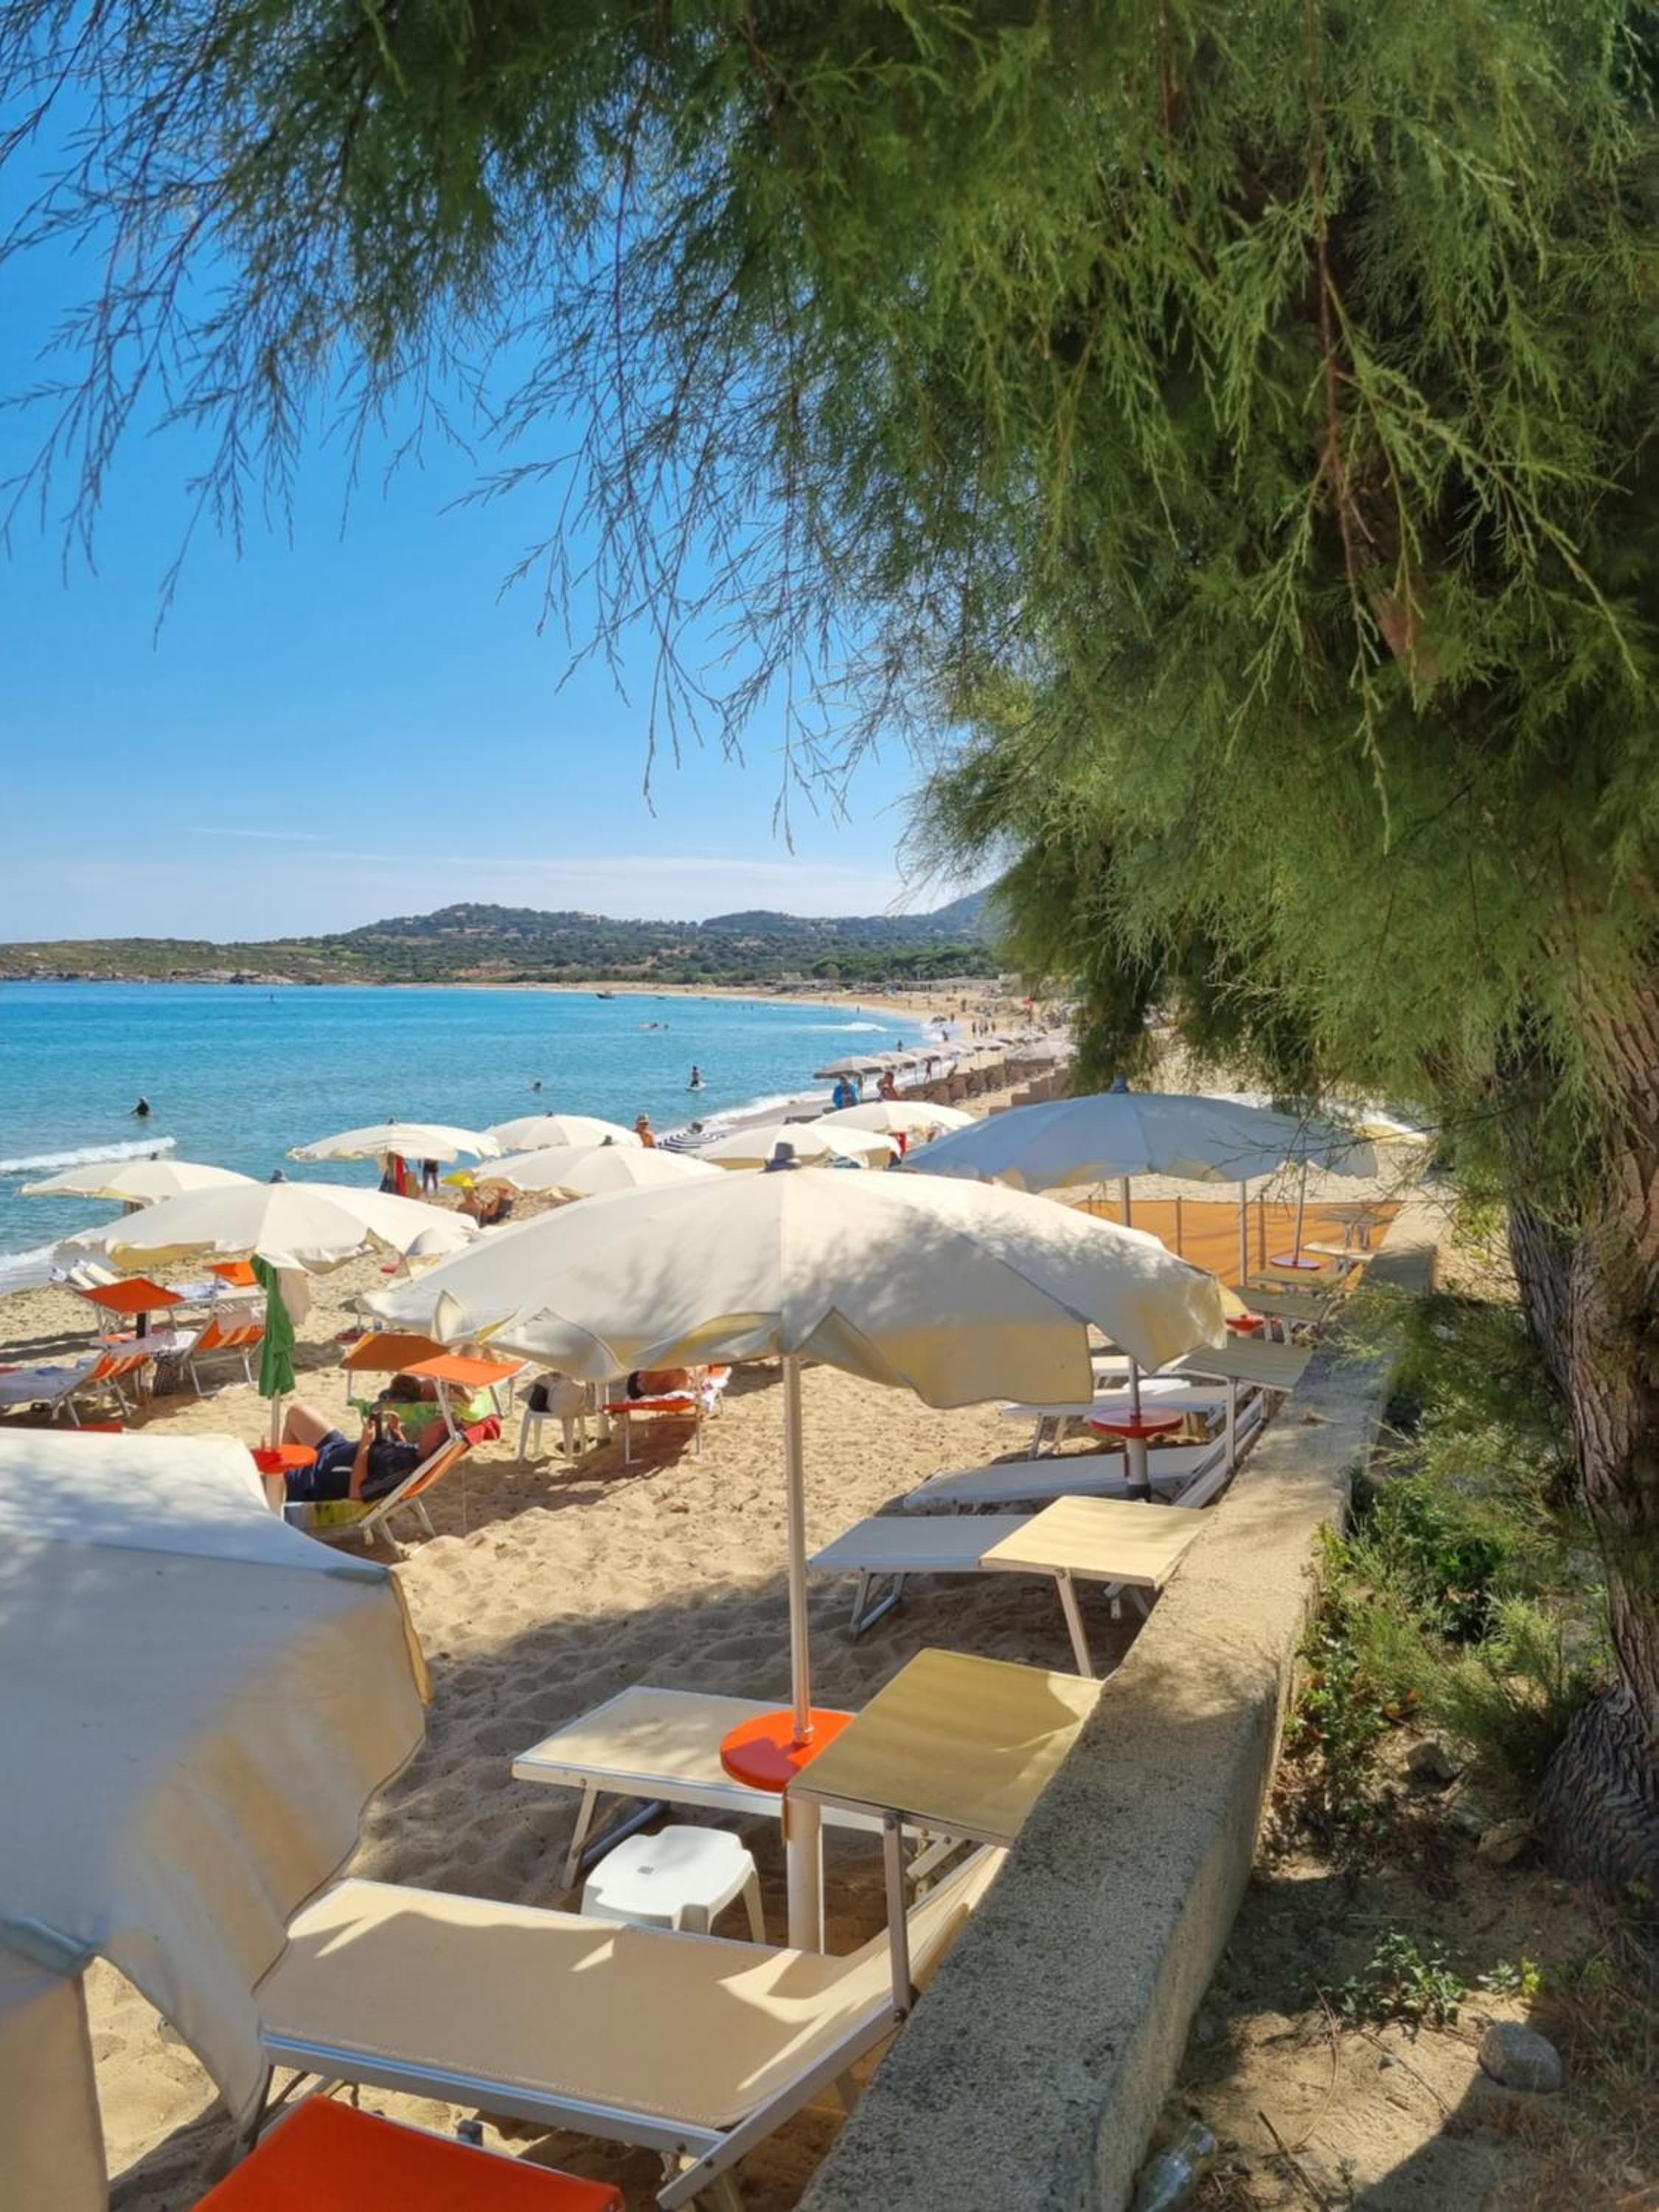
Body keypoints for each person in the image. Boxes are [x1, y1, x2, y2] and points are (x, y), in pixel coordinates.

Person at [273, 1398, 450, 1509]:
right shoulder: (419, 1452)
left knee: (267, 1471)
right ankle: (285, 1468)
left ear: (436, 1442)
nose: (428, 1427)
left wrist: (365, 1444)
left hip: (318, 1475)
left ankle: (284, 1484)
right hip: (338, 1448)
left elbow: (356, 1493)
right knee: (297, 1412)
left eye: (433, 1428)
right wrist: (396, 1432)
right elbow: (400, 1453)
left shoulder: (404, 1471)